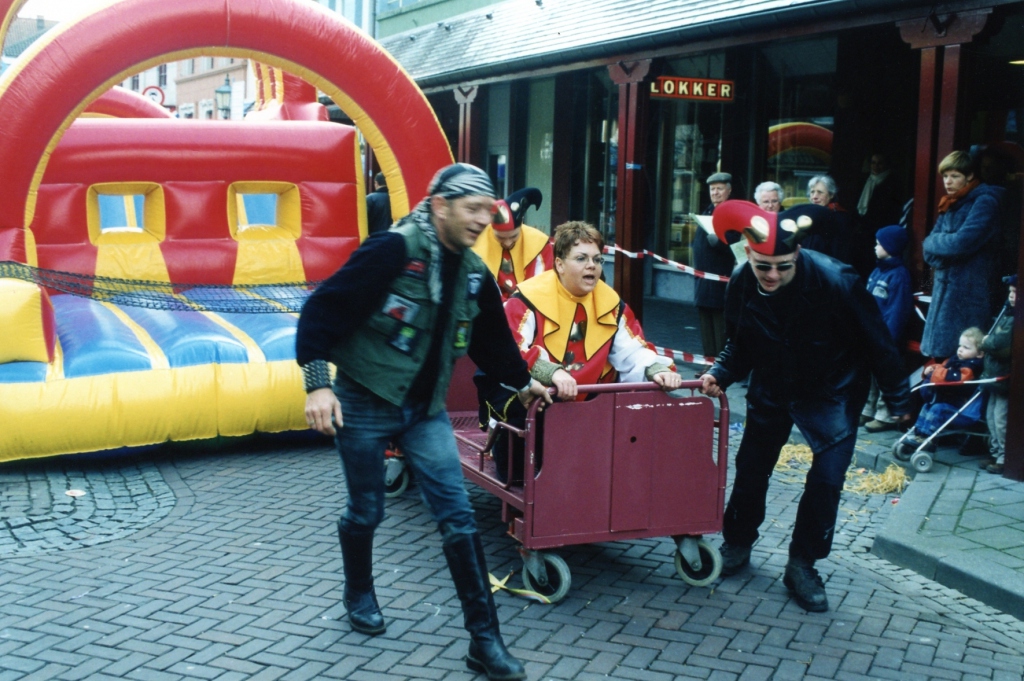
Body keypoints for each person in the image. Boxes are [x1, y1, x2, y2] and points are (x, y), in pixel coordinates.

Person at [297, 163, 550, 681]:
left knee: (457, 516)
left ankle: (485, 642)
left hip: (424, 411)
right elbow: (321, 311)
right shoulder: (392, 250)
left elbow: (494, 345)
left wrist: (527, 381)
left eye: (488, 210)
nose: (483, 220)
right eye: (472, 209)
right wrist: (318, 384)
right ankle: (359, 591)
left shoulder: (474, 273)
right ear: (440, 206)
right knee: (367, 510)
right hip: (365, 399)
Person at [699, 199, 911, 613]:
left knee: (827, 481)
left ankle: (802, 564)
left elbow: (879, 344)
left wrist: (898, 398)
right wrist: (721, 372)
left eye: (783, 266)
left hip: (832, 389)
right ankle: (737, 542)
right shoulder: (742, 280)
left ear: (797, 254)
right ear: (749, 255)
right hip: (774, 383)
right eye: (763, 266)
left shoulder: (839, 281)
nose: (772, 275)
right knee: (751, 467)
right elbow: (739, 343)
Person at [480, 221, 682, 482]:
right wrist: (550, 372)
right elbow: (507, 349)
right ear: (559, 264)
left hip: (587, 402)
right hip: (533, 400)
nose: (592, 266)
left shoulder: (611, 304)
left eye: (597, 259)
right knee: (522, 466)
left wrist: (656, 369)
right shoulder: (527, 298)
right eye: (581, 258)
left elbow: (633, 350)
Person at [921, 151, 1004, 360]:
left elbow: (962, 243)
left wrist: (938, 246)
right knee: (941, 358)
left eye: (954, 176)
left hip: (968, 291)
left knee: (964, 357)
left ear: (969, 176)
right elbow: (928, 249)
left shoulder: (984, 202)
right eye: (945, 176)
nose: (948, 182)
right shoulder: (951, 202)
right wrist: (940, 248)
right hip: (945, 291)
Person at [899, 327, 987, 455]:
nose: (960, 349)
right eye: (960, 346)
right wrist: (932, 368)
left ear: (979, 354)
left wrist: (937, 373)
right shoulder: (956, 360)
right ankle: (918, 433)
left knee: (937, 409)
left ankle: (927, 438)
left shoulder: (972, 367)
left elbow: (955, 379)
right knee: (927, 406)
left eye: (966, 347)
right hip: (949, 402)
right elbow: (943, 367)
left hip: (962, 408)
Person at [862, 225, 914, 432]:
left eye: (879, 244)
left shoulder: (899, 276)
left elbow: (897, 311)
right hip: (872, 333)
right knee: (871, 374)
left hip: (886, 336)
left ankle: (885, 415)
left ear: (890, 247)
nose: (875, 247)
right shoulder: (877, 271)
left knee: (886, 374)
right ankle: (867, 409)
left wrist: (888, 338)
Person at [471, 187, 553, 301]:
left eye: (514, 236)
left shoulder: (540, 245)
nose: (508, 243)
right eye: (500, 237)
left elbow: (544, 285)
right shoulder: (475, 243)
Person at [692, 172, 735, 358]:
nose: (715, 192)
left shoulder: (731, 213)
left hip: (720, 283)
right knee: (705, 326)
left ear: (729, 190)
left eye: (719, 188)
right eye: (712, 189)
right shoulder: (708, 211)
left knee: (720, 328)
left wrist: (719, 243)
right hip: (703, 283)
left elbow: (735, 246)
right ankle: (708, 364)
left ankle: (720, 367)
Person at [980, 275, 1015, 475]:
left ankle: (1003, 456)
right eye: (1010, 292)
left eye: (1016, 293)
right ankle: (995, 452)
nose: (1012, 296)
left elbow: (1000, 345)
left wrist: (986, 341)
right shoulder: (1006, 313)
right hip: (994, 377)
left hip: (1003, 378)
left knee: (1001, 420)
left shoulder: (1014, 320)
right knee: (991, 417)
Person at [805, 174, 863, 275]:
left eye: (820, 192)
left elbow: (840, 254)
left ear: (831, 195)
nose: (814, 197)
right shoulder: (809, 216)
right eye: (812, 192)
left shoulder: (839, 218)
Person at [856, 152, 903, 237]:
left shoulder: (892, 182)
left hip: (880, 226)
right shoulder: (865, 179)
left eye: (880, 163)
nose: (876, 166)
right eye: (873, 163)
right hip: (863, 223)